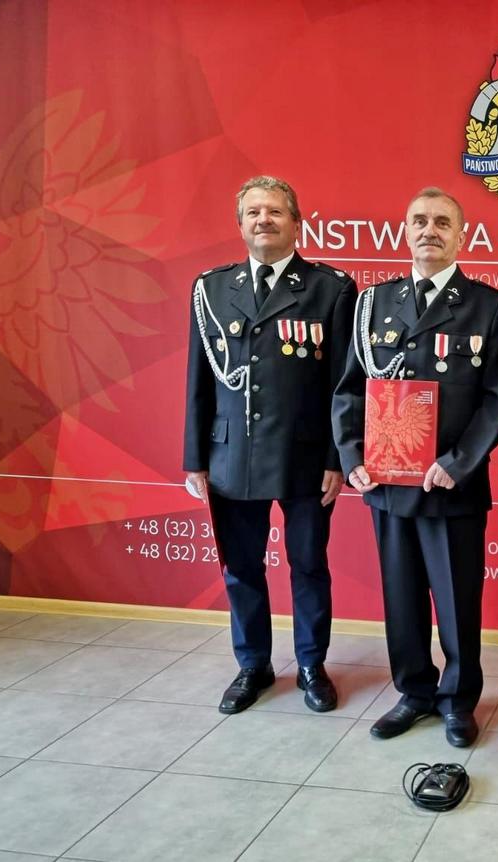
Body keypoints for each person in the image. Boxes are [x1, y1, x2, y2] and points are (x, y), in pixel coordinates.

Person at [332, 188, 498, 748]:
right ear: (406, 231)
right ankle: (413, 692)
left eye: (441, 222)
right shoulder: (372, 303)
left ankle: (458, 701)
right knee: (402, 598)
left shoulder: (489, 306)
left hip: (451, 484)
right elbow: (349, 390)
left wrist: (459, 462)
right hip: (387, 484)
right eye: (418, 221)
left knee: (457, 603)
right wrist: (352, 457)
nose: (429, 230)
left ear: (462, 235)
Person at [183, 175, 355, 714]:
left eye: (276, 211)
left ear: (297, 223)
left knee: (308, 566)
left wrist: (337, 458)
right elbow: (199, 379)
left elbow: (344, 383)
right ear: (240, 225)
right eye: (254, 212)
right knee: (241, 568)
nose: (264, 220)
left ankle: (311, 664)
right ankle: (253, 665)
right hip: (230, 454)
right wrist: (195, 458)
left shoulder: (331, 289)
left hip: (306, 458)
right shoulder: (211, 290)